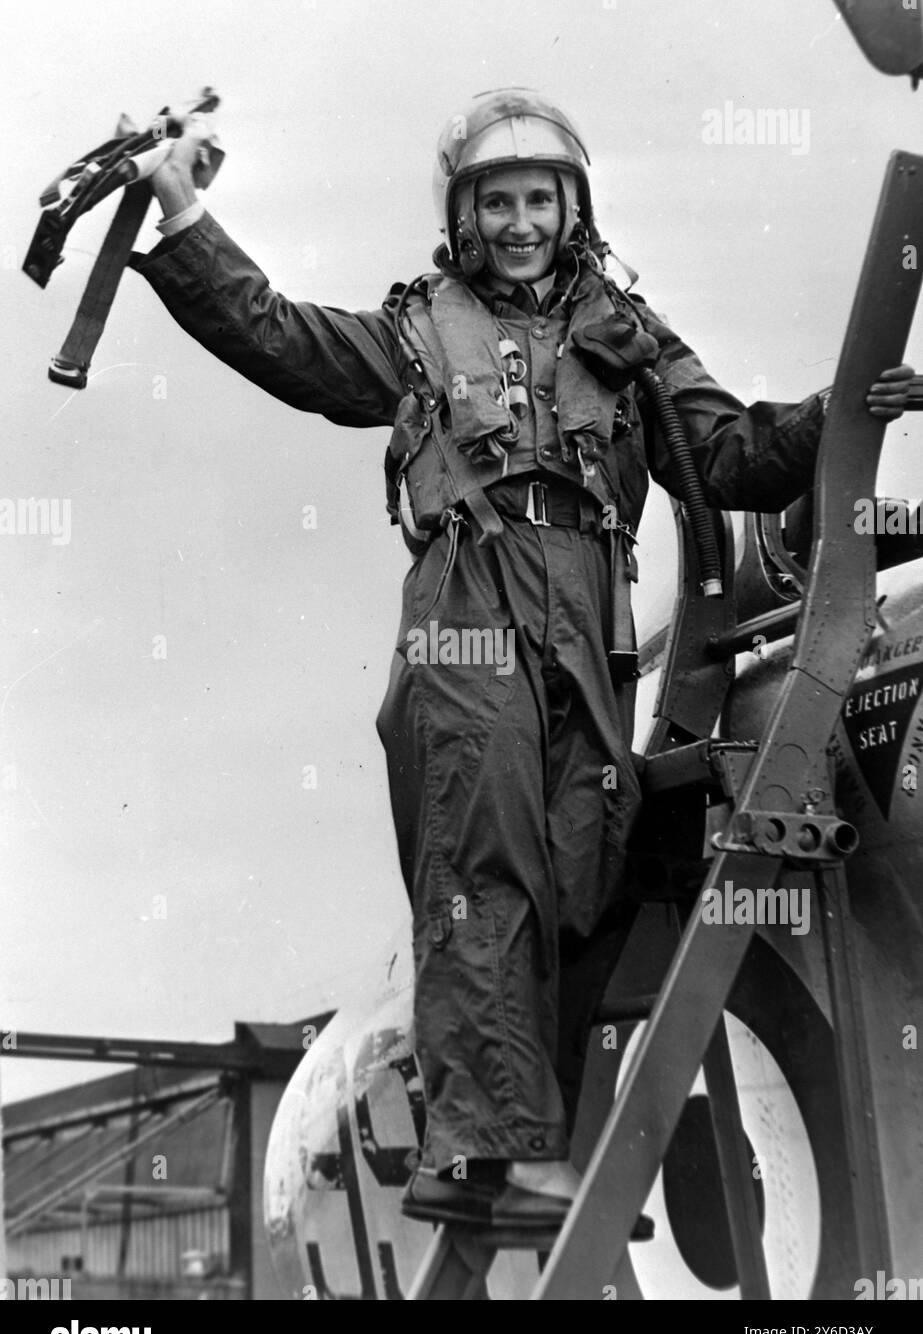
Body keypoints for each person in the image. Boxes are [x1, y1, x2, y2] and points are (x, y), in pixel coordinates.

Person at [134, 88, 914, 1234]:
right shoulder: (415, 331)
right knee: (484, 856)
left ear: (570, 206)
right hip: (469, 614)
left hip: (586, 632)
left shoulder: (624, 337)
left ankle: (517, 1148)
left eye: (536, 198)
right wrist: (184, 217)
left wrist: (846, 409)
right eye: (493, 201)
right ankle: (495, 1151)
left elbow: (733, 453)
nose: (516, 222)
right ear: (462, 215)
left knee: (585, 864)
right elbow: (283, 337)